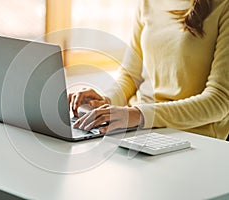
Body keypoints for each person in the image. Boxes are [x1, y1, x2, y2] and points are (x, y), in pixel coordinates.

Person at [69, 0, 229, 140]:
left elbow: (219, 101)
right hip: (139, 129)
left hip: (193, 137)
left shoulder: (223, 6)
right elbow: (131, 76)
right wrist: (105, 103)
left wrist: (140, 114)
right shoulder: (147, 2)